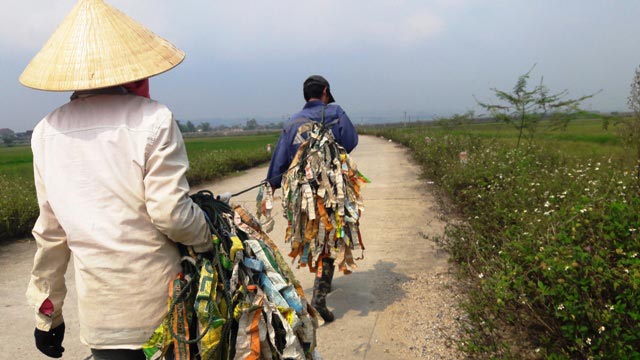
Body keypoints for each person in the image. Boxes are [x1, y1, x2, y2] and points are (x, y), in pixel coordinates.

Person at [21, 1, 211, 359]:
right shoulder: (154, 119)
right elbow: (171, 213)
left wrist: (47, 315)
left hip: (103, 319)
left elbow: (50, 233)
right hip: (163, 312)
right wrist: (207, 240)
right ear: (135, 71)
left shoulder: (46, 131)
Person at [266, 75, 358, 322]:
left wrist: (271, 184)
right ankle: (319, 295)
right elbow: (350, 141)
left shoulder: (292, 122)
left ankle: (317, 288)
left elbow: (280, 163)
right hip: (331, 191)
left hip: (301, 193)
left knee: (314, 237)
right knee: (330, 237)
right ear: (325, 91)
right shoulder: (335, 112)